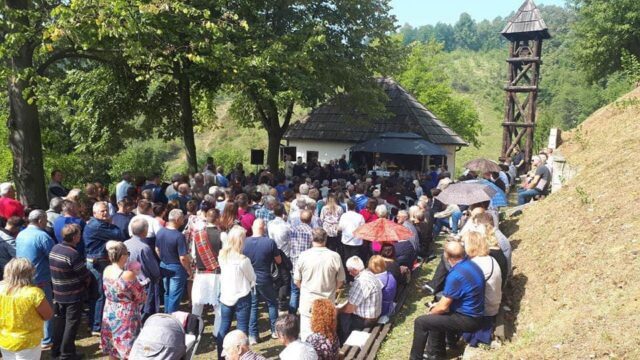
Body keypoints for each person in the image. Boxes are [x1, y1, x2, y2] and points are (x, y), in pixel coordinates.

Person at [409, 241, 485, 360]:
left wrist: (433, 310)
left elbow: (443, 307)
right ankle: (436, 354)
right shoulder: (472, 265)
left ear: (446, 256)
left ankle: (415, 358)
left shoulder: (455, 275)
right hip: (476, 312)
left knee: (421, 322)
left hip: (469, 319)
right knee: (435, 317)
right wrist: (437, 308)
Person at [294, 228, 345, 341]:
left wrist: (306, 289)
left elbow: (297, 280)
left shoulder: (303, 255)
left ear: (312, 239)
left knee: (307, 337)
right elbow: (340, 281)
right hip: (327, 301)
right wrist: (331, 288)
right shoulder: (334, 256)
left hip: (308, 302)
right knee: (326, 337)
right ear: (326, 239)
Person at [49, 224, 90, 360]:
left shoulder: (55, 248)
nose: (80, 237)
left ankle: (56, 351)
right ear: (74, 237)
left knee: (60, 324)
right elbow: (84, 275)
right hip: (72, 295)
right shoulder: (73, 254)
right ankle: (66, 354)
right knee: (71, 325)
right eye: (79, 234)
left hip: (58, 293)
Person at [16, 210, 55, 350]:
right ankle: (47, 340)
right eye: (45, 219)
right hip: (40, 279)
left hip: (23, 279)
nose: (46, 222)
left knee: (29, 310)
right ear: (40, 220)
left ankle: (35, 335)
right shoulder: (42, 236)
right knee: (46, 309)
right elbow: (53, 256)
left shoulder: (21, 234)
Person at [83, 201, 125, 335]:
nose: (106, 213)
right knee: (99, 294)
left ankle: (93, 323)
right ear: (94, 213)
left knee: (96, 294)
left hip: (98, 261)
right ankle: (97, 325)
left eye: (106, 210)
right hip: (97, 263)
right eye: (102, 211)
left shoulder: (99, 224)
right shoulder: (97, 226)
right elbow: (118, 234)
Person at [0, 258, 54, 360]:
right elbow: (48, 315)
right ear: (30, 273)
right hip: (28, 341)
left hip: (4, 338)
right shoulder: (34, 293)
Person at [101, 241, 146, 360]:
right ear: (122, 256)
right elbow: (141, 296)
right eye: (127, 253)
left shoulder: (107, 270)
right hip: (125, 315)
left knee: (113, 349)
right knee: (128, 348)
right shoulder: (127, 275)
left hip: (110, 311)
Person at [216, 226, 256, 359]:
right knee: (242, 330)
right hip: (242, 295)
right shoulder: (243, 260)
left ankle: (221, 356)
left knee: (224, 327)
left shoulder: (222, 256)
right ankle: (242, 356)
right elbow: (252, 278)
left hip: (226, 295)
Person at [243, 219, 282, 344]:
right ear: (263, 228)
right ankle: (275, 331)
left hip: (250, 279)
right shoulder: (270, 242)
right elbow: (279, 260)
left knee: (253, 306)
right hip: (265, 278)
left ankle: (253, 335)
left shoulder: (245, 242)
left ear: (253, 227)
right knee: (272, 303)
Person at [462, 232, 502, 347]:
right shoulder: (490, 259)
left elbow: (463, 289)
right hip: (493, 303)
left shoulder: (476, 264)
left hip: (485, 310)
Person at [337, 256, 382, 344]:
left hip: (366, 320)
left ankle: (344, 342)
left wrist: (337, 310)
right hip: (373, 314)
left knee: (341, 316)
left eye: (349, 271)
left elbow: (350, 309)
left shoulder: (361, 282)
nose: (349, 273)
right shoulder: (369, 274)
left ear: (355, 270)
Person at [155, 209, 191, 314]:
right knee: (174, 295)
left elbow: (157, 249)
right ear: (177, 219)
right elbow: (183, 257)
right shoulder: (179, 236)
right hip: (177, 268)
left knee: (167, 293)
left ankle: (166, 313)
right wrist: (189, 270)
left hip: (164, 265)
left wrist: (162, 259)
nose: (183, 221)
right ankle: (171, 316)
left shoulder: (160, 231)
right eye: (182, 219)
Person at [124, 218, 161, 320]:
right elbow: (153, 269)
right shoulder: (144, 248)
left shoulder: (125, 244)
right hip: (143, 283)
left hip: (127, 282)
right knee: (144, 310)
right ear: (145, 231)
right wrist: (157, 277)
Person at [190, 208, 223, 317]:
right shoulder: (222, 235)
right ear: (218, 219)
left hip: (200, 274)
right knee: (218, 307)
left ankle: (193, 332)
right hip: (216, 274)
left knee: (197, 306)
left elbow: (194, 255)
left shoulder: (197, 234)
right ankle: (216, 334)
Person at [338, 200, 365, 279]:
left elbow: (340, 227)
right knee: (355, 260)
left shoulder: (344, 216)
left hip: (347, 241)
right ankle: (354, 277)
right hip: (356, 241)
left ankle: (347, 276)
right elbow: (362, 228)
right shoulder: (359, 216)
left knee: (347, 258)